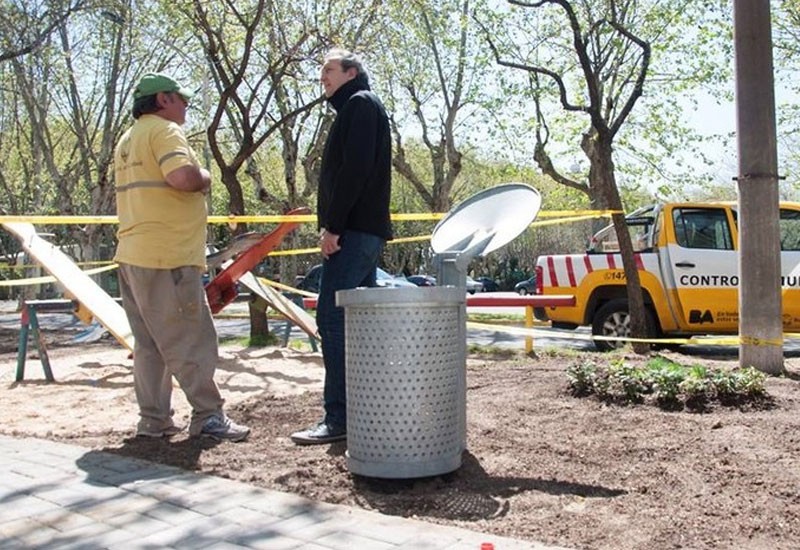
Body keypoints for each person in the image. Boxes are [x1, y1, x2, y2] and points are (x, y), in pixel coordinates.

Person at [114, 72, 250, 442]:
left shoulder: (128, 139)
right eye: (180, 98)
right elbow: (182, 178)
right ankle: (208, 416)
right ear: (162, 99)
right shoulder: (164, 132)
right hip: (167, 257)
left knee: (150, 345)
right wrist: (204, 176)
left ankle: (153, 421)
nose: (186, 104)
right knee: (190, 337)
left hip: (132, 255)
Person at [290, 49, 392, 445]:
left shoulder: (360, 104)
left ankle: (338, 418)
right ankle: (365, 409)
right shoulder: (359, 107)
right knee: (356, 324)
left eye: (329, 70)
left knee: (332, 319)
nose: (323, 79)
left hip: (353, 233)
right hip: (362, 232)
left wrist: (333, 226)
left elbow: (354, 170)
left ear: (352, 72)